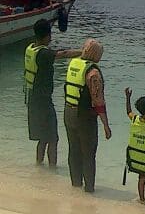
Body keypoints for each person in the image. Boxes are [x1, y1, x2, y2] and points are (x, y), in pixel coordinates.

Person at [24, 17, 81, 167]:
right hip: (43, 102)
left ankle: (39, 166)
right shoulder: (44, 54)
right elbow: (64, 53)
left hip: (32, 99)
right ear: (47, 36)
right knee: (53, 138)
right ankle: (52, 169)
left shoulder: (30, 49)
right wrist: (83, 51)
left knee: (43, 137)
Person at [63, 39, 111, 192]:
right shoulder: (93, 73)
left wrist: (83, 51)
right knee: (88, 153)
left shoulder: (74, 63)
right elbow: (98, 102)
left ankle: (75, 185)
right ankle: (89, 189)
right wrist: (105, 125)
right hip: (84, 117)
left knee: (74, 149)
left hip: (68, 112)